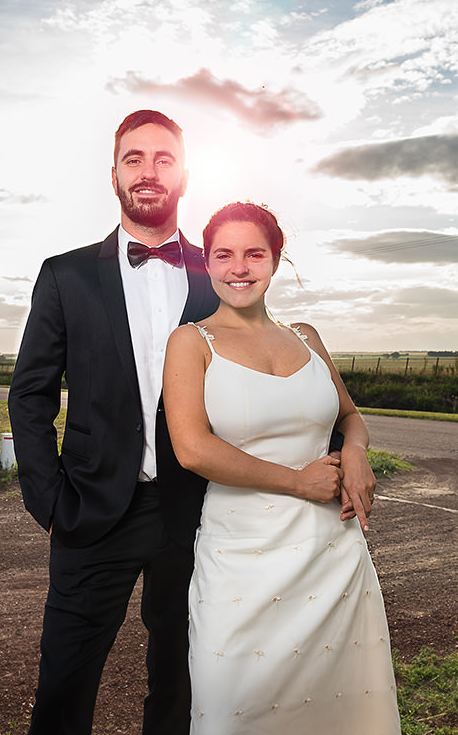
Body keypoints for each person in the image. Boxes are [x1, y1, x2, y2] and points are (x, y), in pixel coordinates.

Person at [7, 109, 220, 735]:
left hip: (197, 512)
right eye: (134, 158)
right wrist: (49, 501)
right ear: (114, 175)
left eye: (163, 158)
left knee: (183, 683)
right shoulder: (65, 275)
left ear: (184, 175)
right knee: (63, 687)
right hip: (91, 511)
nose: (148, 171)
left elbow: (261, 373)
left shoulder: (218, 275)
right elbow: (31, 395)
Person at [162, 201, 402, 734]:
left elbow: (349, 416)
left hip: (333, 552)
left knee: (340, 706)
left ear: (276, 259)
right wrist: (297, 481)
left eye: (254, 254)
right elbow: (193, 449)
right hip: (241, 558)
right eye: (223, 255)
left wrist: (356, 451)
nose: (238, 268)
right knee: (236, 708)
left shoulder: (307, 336)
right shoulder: (191, 342)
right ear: (207, 262)